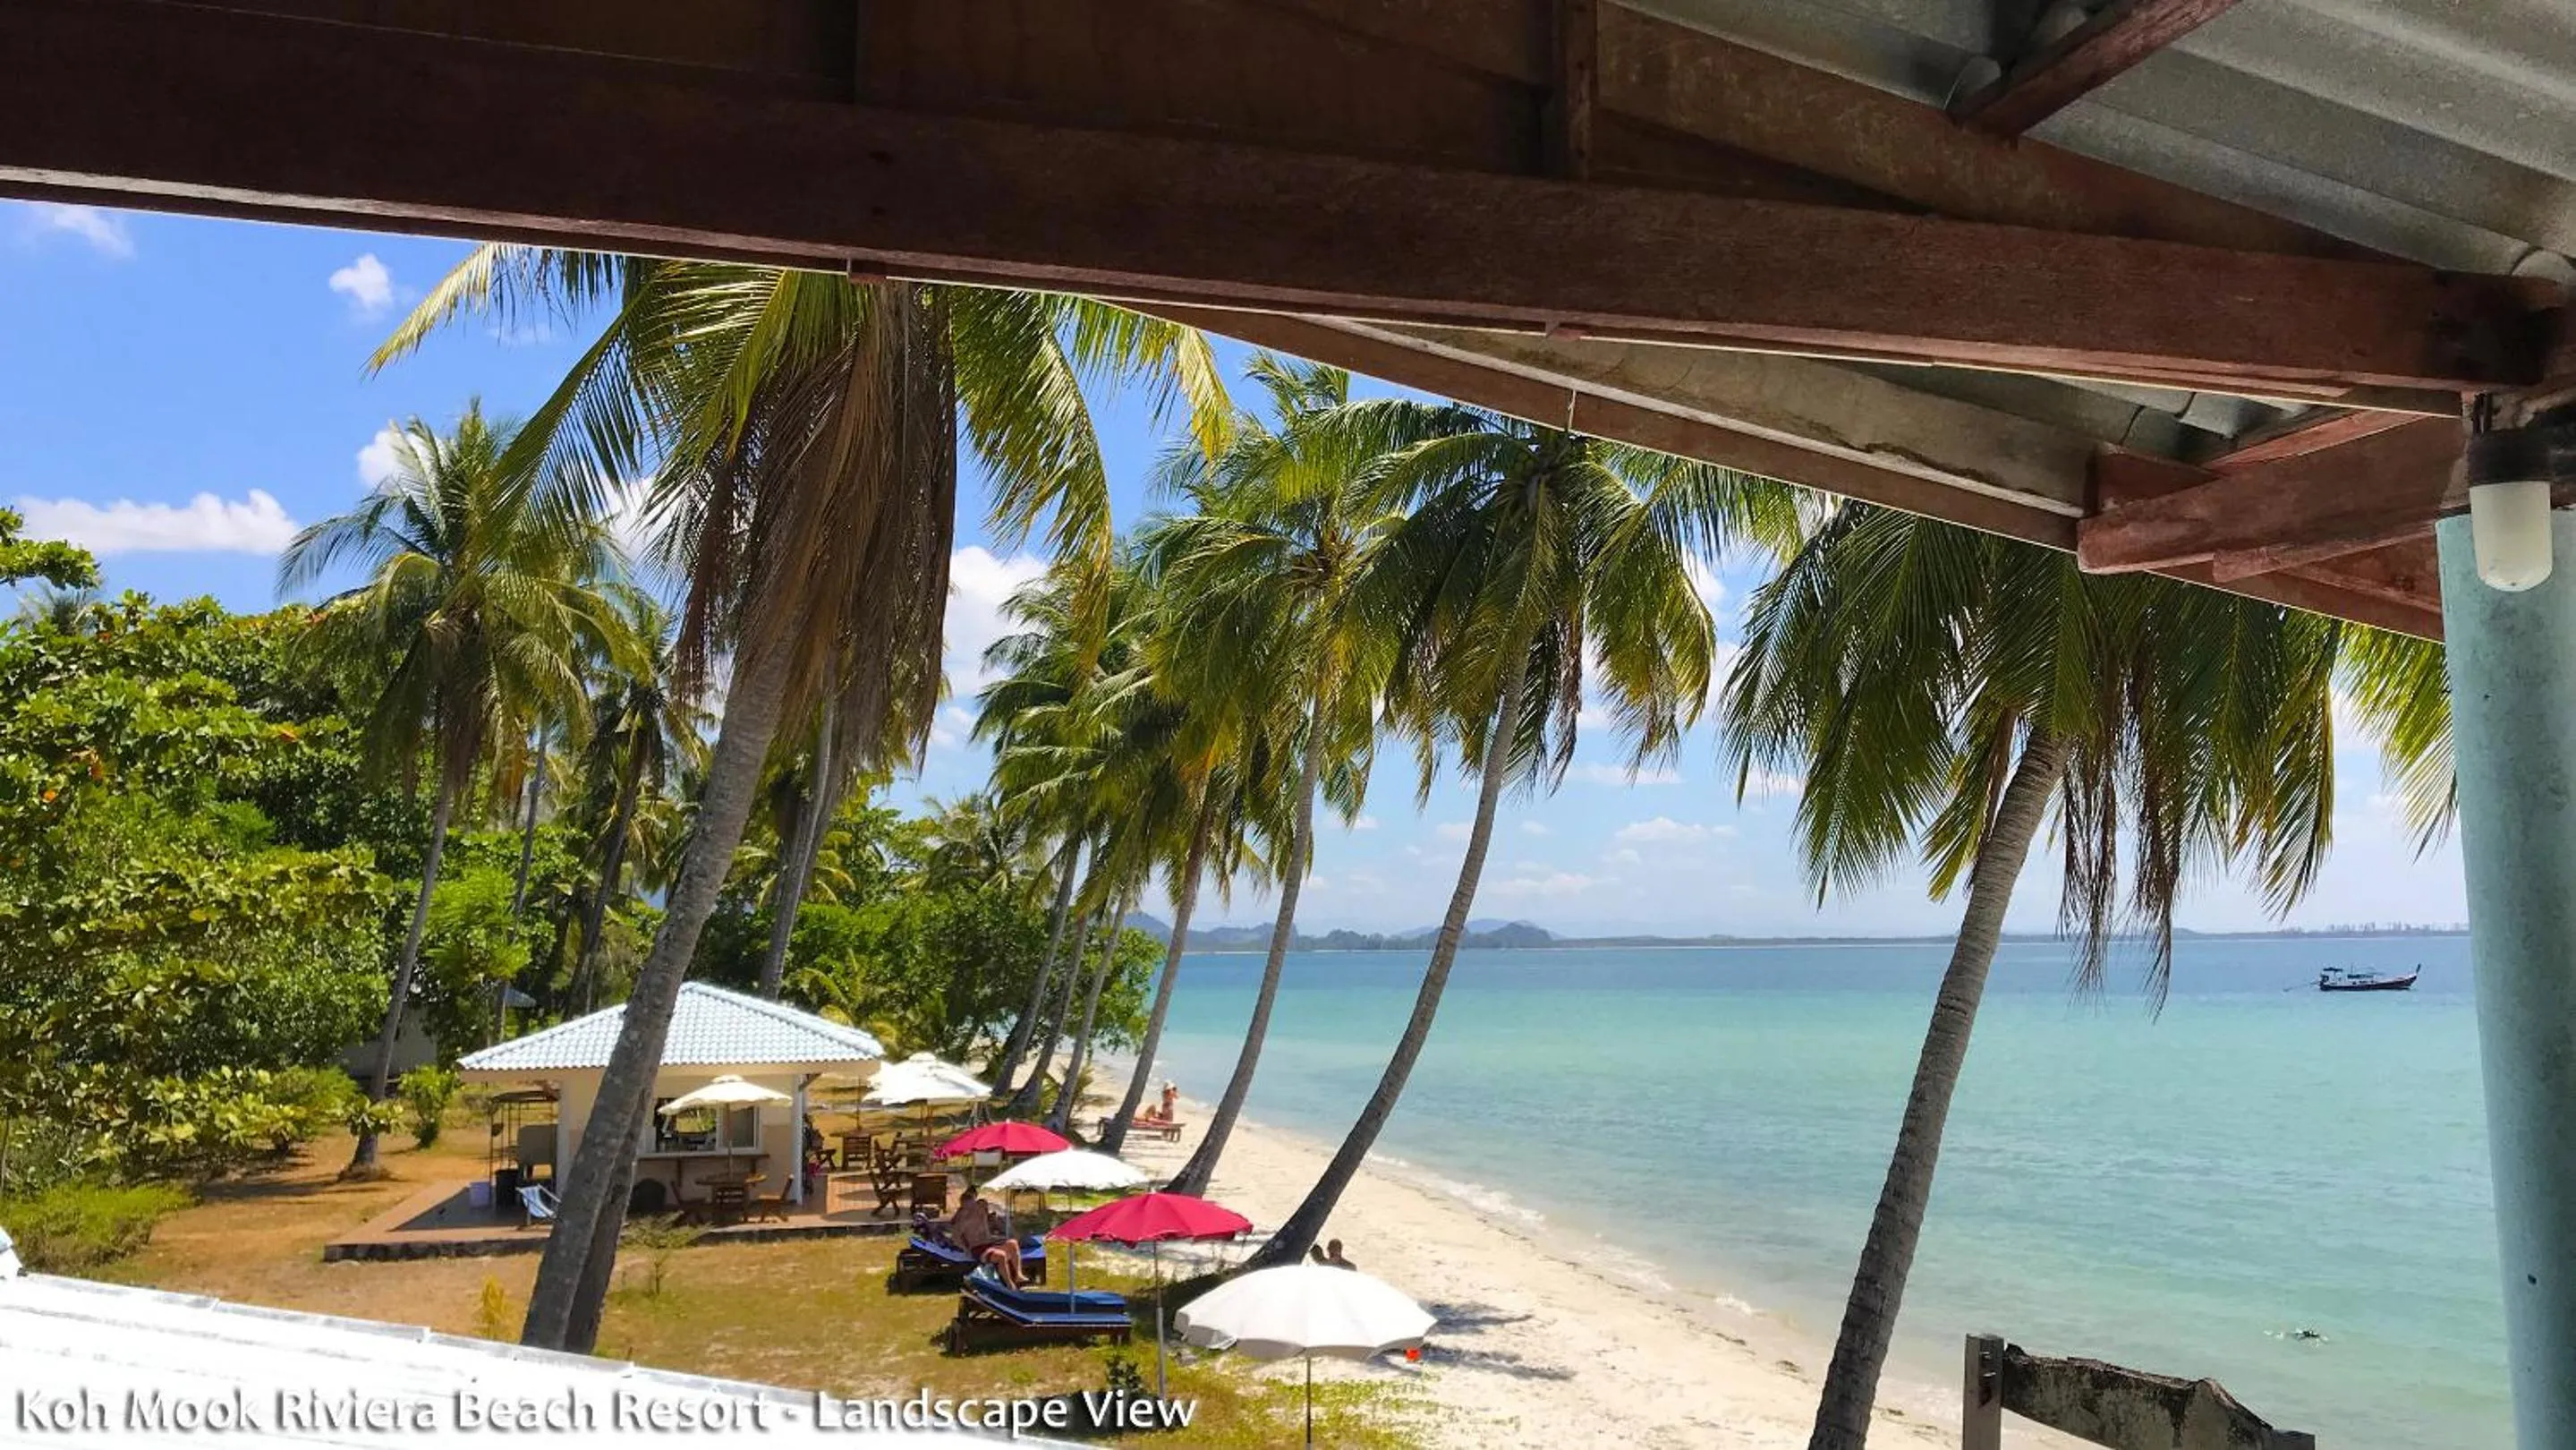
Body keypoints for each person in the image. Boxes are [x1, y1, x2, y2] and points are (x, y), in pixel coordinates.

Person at [947, 1193, 1025, 1289]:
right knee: (1001, 1255)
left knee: (1013, 1243)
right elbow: (955, 1238)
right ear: (964, 1206)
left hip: (989, 1244)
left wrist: (1000, 1238)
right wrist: (965, 1249)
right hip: (977, 1249)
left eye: (973, 1204)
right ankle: (1010, 1285)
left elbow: (984, 1204)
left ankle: (1018, 1276)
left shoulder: (981, 1214)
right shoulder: (963, 1221)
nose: (973, 1207)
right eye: (969, 1205)